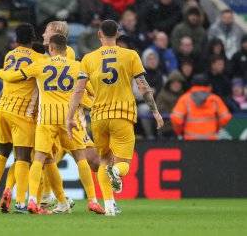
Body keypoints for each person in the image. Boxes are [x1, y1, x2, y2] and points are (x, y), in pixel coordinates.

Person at [0, 34, 104, 214]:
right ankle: (93, 200)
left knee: (38, 160)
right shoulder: (77, 66)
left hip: (46, 119)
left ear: (51, 48)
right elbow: (91, 91)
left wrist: (0, 72)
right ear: (66, 48)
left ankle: (31, 200)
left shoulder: (40, 65)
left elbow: (13, 76)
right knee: (81, 159)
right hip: (68, 119)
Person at [66, 20, 164, 216]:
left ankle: (109, 206)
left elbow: (78, 90)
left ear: (99, 35)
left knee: (104, 160)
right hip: (122, 115)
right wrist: (155, 112)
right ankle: (116, 173)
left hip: (99, 117)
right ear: (118, 35)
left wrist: (70, 116)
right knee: (123, 164)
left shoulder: (88, 58)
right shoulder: (130, 55)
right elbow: (143, 85)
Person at [0, 23, 46, 214]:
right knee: (22, 157)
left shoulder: (9, 55)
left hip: (2, 109)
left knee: (2, 152)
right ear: (33, 37)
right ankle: (20, 202)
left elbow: (7, 78)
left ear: (16, 39)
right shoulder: (40, 59)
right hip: (21, 112)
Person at [171, 74, 232, 140]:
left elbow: (176, 119)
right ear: (208, 85)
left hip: (190, 141)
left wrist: (180, 131)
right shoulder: (215, 99)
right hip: (210, 140)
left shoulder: (185, 99)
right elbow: (225, 117)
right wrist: (216, 128)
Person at [137, 48, 164, 139]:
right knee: (144, 109)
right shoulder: (139, 74)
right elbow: (135, 93)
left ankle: (161, 133)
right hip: (142, 102)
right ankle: (150, 135)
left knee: (163, 106)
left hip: (158, 101)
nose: (152, 61)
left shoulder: (160, 75)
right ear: (144, 60)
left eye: (154, 59)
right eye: (149, 59)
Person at [156, 70, 186, 138]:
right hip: (167, 128)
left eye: (179, 83)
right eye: (174, 83)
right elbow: (161, 111)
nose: (176, 85)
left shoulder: (184, 95)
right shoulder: (162, 95)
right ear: (169, 84)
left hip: (183, 127)